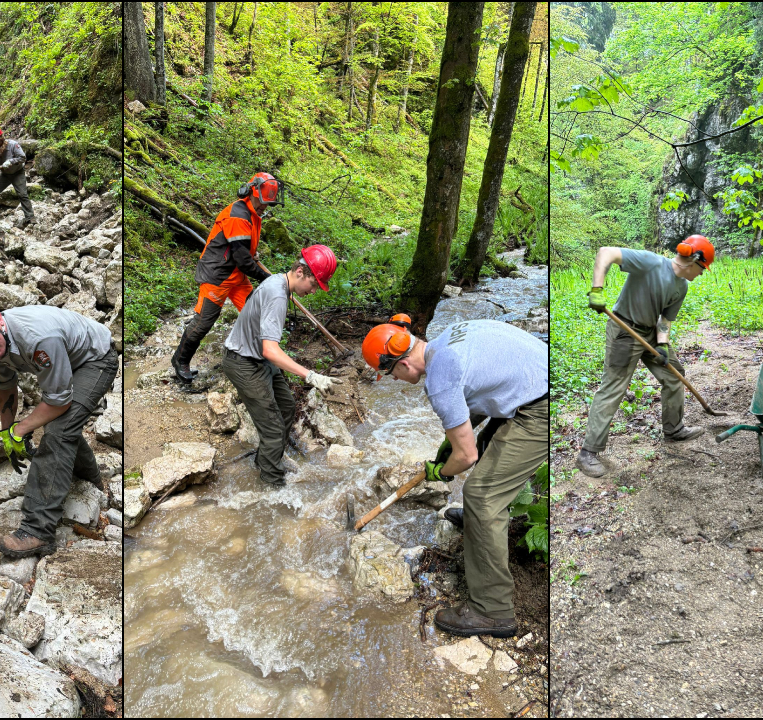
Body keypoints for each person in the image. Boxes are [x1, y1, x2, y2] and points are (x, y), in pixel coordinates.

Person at [361, 316, 548, 638]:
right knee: (489, 446)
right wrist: (453, 438)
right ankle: (480, 525)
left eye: (388, 373)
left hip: (540, 407)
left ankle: (493, 611)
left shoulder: (439, 381)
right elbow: (480, 390)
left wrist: (441, 472)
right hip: (534, 385)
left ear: (403, 363)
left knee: (482, 497)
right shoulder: (447, 340)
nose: (392, 380)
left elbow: (466, 456)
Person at [0, 294, 119, 558]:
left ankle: (37, 532)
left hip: (95, 359)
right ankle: (91, 480)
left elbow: (59, 403)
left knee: (59, 430)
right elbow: (5, 388)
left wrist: (21, 429)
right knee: (64, 426)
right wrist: (7, 432)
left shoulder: (37, 337)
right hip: (67, 358)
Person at [575, 236, 714, 479]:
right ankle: (588, 453)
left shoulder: (681, 286)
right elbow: (606, 251)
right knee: (613, 387)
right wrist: (597, 289)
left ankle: (674, 429)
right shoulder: (650, 262)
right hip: (624, 329)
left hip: (649, 333)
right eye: (703, 269)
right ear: (694, 260)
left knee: (674, 375)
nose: (702, 275)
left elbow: (665, 320)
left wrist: (662, 345)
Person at [221, 245, 340, 486]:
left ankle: (268, 459)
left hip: (256, 357)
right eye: (314, 283)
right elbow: (271, 350)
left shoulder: (279, 283)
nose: (314, 290)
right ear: (299, 271)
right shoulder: (277, 293)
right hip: (243, 361)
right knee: (274, 429)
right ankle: (272, 487)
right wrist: (311, 376)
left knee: (286, 406)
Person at [170, 172, 285, 382]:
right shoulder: (238, 215)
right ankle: (180, 360)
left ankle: (261, 357)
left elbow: (242, 249)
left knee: (255, 315)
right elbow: (242, 258)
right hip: (218, 275)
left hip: (236, 274)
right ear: (252, 192)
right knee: (204, 321)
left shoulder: (253, 214)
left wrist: (253, 253)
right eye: (262, 201)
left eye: (268, 204)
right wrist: (267, 277)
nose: (264, 207)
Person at [0, 127, 35, 229]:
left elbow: (22, 158)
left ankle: (30, 218)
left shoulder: (13, 145)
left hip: (18, 173)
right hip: (5, 175)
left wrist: (11, 161)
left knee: (22, 194)